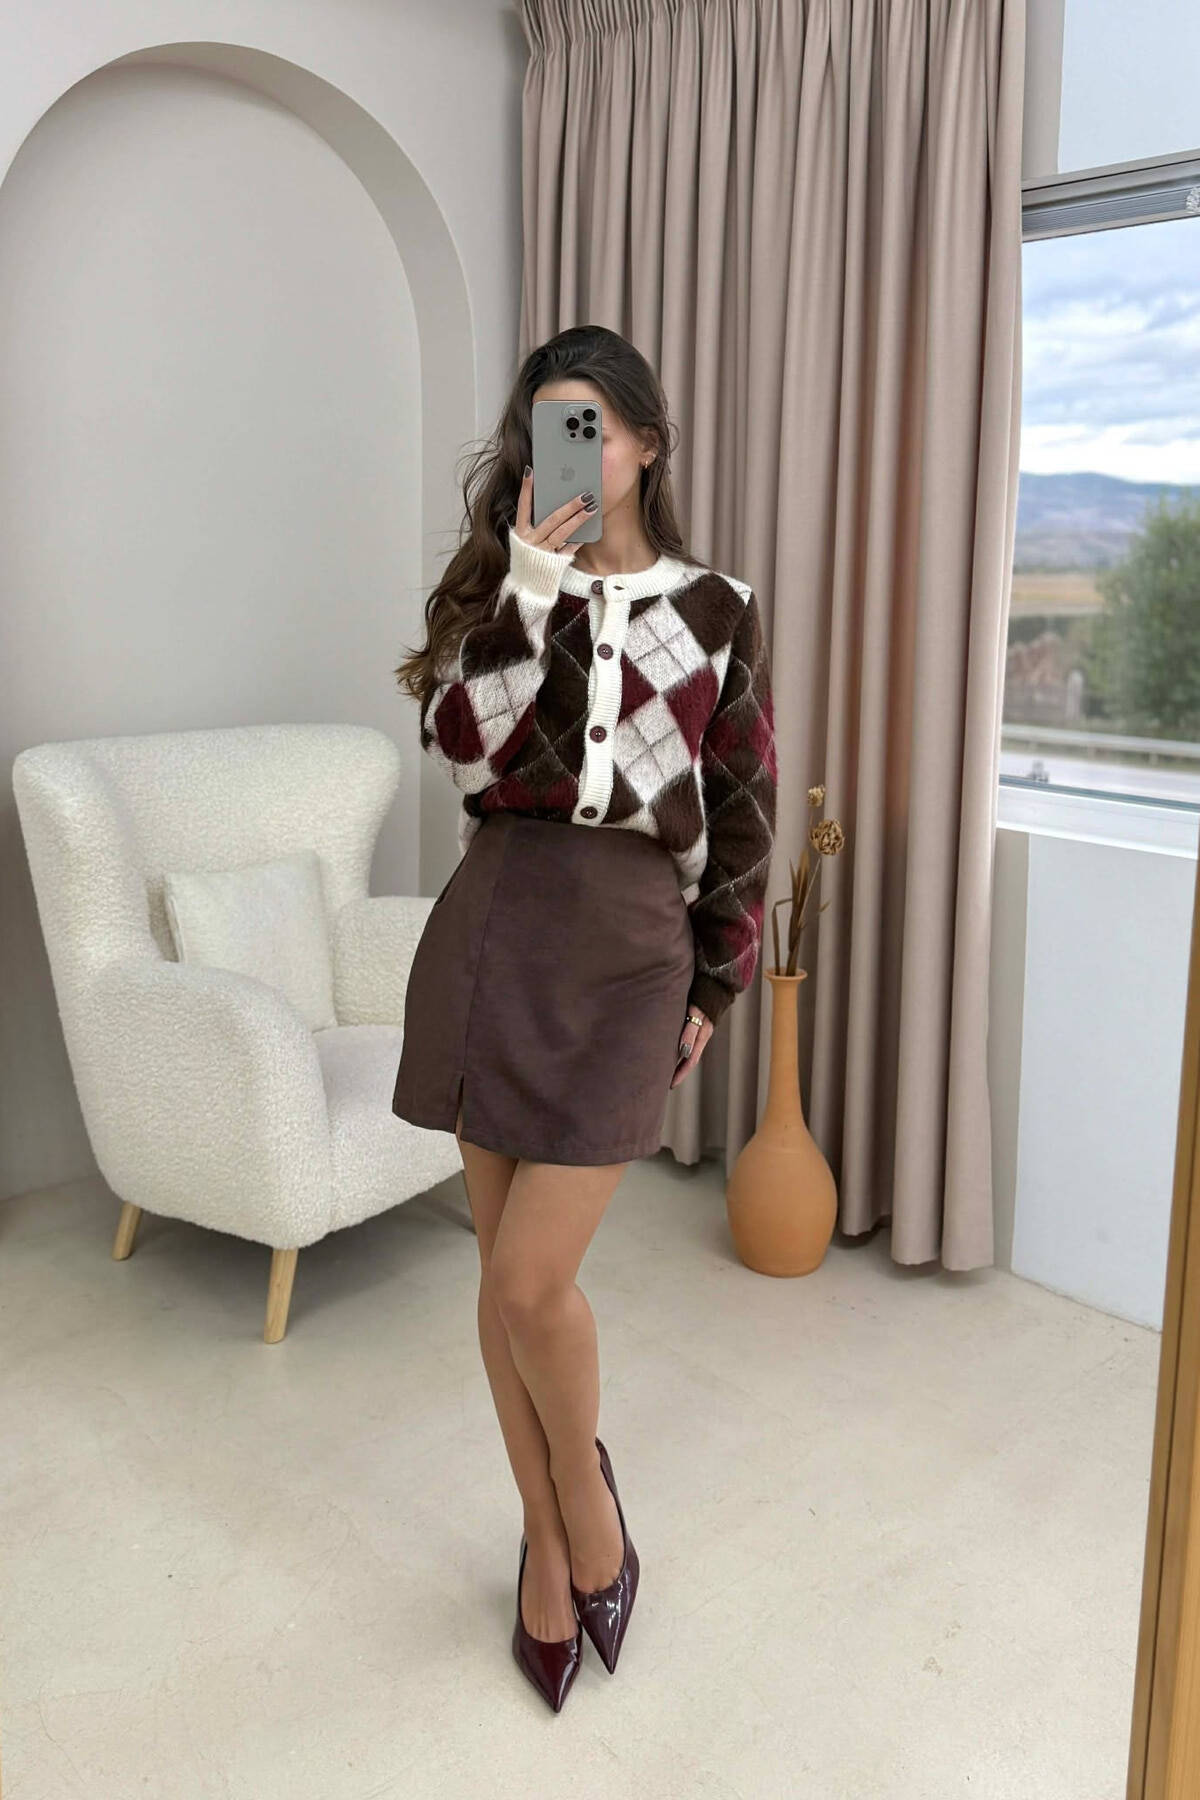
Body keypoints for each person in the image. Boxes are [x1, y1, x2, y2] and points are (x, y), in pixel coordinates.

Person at [391, 324, 777, 1710]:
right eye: (551, 429)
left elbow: (742, 811)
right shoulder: (505, 588)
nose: (575, 452)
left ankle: (585, 1502)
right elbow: (463, 750)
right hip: (498, 927)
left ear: (647, 445)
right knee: (504, 1285)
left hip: (627, 952)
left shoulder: (717, 609)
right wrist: (529, 582)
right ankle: (550, 1546)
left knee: (528, 1283)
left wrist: (717, 978)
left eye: (595, 427)